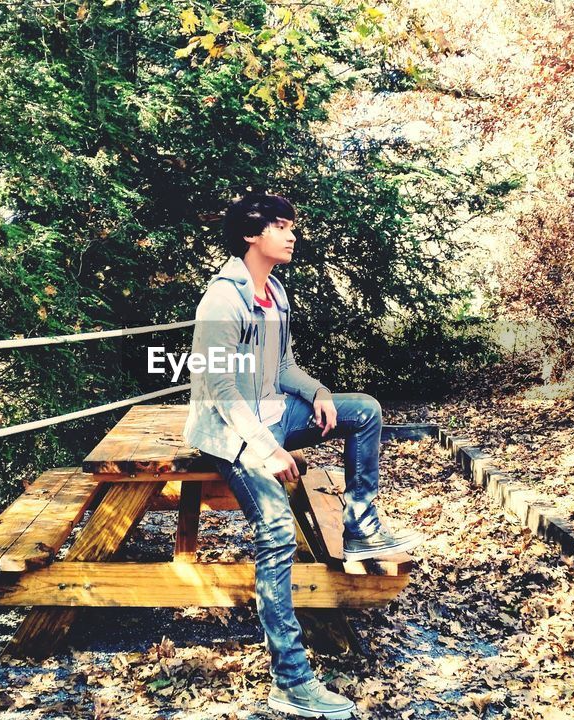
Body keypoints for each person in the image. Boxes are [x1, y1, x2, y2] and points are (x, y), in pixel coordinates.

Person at [182, 192, 425, 719]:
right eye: (281, 226)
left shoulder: (276, 293)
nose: (292, 235)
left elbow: (281, 367)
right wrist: (265, 448)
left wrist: (315, 391)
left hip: (271, 417)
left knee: (362, 410)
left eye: (293, 226)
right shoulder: (222, 300)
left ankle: (361, 526)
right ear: (252, 234)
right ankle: (291, 682)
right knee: (276, 531)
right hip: (232, 434)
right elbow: (218, 387)